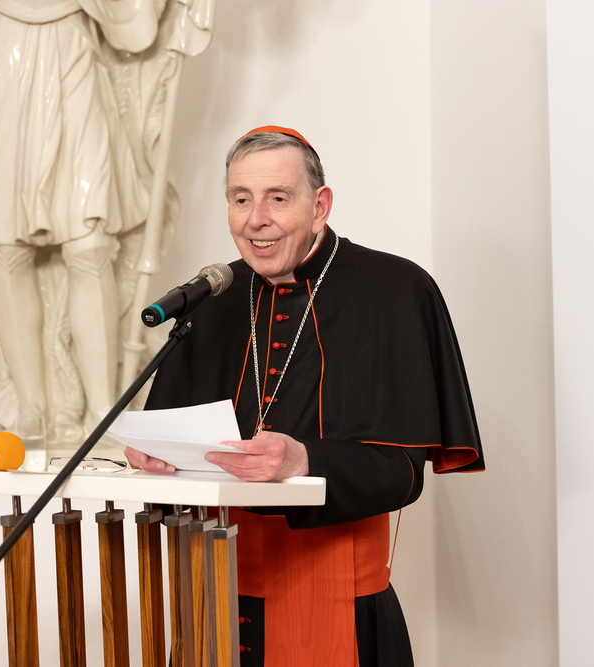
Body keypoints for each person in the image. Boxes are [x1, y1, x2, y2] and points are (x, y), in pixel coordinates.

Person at [125, 126, 484, 666]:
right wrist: (157, 460)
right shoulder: (214, 301)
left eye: (277, 198)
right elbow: (178, 448)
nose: (256, 219)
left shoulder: (394, 291)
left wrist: (304, 460)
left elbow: (405, 473)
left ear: (320, 207)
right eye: (240, 199)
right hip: (214, 598)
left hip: (338, 598)